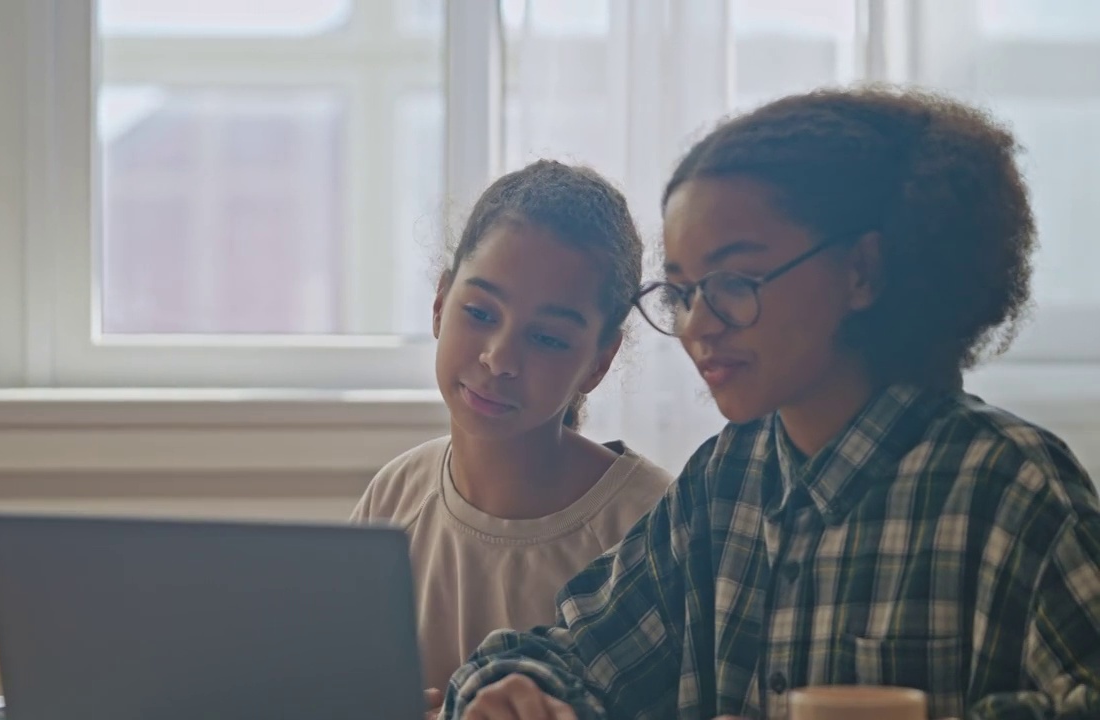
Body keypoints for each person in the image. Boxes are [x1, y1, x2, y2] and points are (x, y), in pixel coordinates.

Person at [437, 88, 1100, 720]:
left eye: (734, 281)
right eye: (682, 293)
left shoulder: (1011, 488)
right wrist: (514, 690)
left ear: (861, 271)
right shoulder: (724, 484)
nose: (699, 325)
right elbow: (572, 652)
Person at [352, 160, 674, 692]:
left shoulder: (651, 524)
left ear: (597, 362)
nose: (500, 358)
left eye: (547, 339)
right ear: (439, 303)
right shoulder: (395, 498)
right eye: (479, 312)